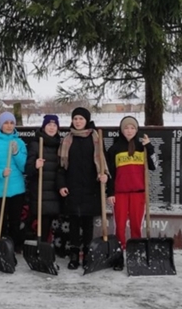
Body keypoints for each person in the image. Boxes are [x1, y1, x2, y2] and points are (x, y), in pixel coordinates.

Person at [57, 107, 109, 270]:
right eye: (75, 119)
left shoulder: (95, 138)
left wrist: (104, 175)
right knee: (73, 223)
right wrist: (62, 185)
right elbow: (61, 167)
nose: (78, 122)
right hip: (72, 187)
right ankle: (74, 255)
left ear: (86, 120)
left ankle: (87, 254)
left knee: (87, 223)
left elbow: (103, 163)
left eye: (81, 119)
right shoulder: (66, 140)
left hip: (90, 187)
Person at [106, 116, 155, 270]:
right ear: (121, 130)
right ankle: (119, 255)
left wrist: (150, 147)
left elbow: (153, 166)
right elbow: (110, 173)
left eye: (132, 128)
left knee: (136, 225)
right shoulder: (114, 149)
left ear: (136, 130)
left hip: (138, 192)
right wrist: (110, 193)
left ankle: (136, 254)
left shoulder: (142, 147)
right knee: (119, 226)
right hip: (120, 193)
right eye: (126, 128)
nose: (129, 131)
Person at [0, 111, 28, 252]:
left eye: (11, 123)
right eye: (6, 123)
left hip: (17, 189)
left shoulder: (19, 142)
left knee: (15, 220)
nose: (9, 126)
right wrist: (1, 173)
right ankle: (1, 245)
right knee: (1, 220)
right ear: (0, 125)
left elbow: (24, 166)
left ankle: (15, 245)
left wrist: (16, 154)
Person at [24, 114, 62, 243]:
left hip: (54, 190)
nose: (51, 128)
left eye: (54, 125)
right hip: (40, 190)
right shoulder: (36, 144)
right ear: (44, 127)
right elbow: (28, 169)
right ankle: (40, 247)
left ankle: (46, 247)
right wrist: (35, 165)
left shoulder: (60, 144)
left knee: (50, 221)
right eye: (49, 125)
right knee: (42, 221)